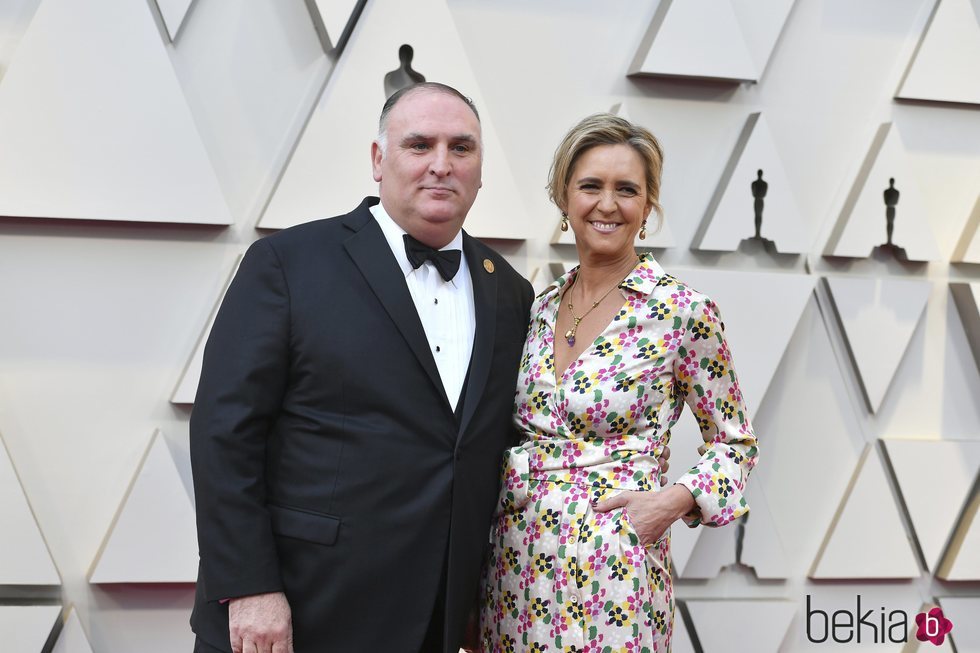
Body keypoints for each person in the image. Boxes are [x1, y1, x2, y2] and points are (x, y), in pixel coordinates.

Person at [188, 82, 537, 653]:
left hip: (435, 621)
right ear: (379, 160)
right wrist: (249, 587)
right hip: (300, 611)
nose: (441, 165)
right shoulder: (287, 263)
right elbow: (224, 433)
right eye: (419, 144)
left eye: (462, 148)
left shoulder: (511, 292)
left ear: (481, 168)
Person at [479, 113, 759, 652]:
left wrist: (672, 502)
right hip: (515, 567)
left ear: (648, 206)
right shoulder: (533, 307)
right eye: (590, 186)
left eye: (626, 189)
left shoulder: (682, 312)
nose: (607, 204)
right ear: (564, 197)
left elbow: (735, 443)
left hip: (614, 571)